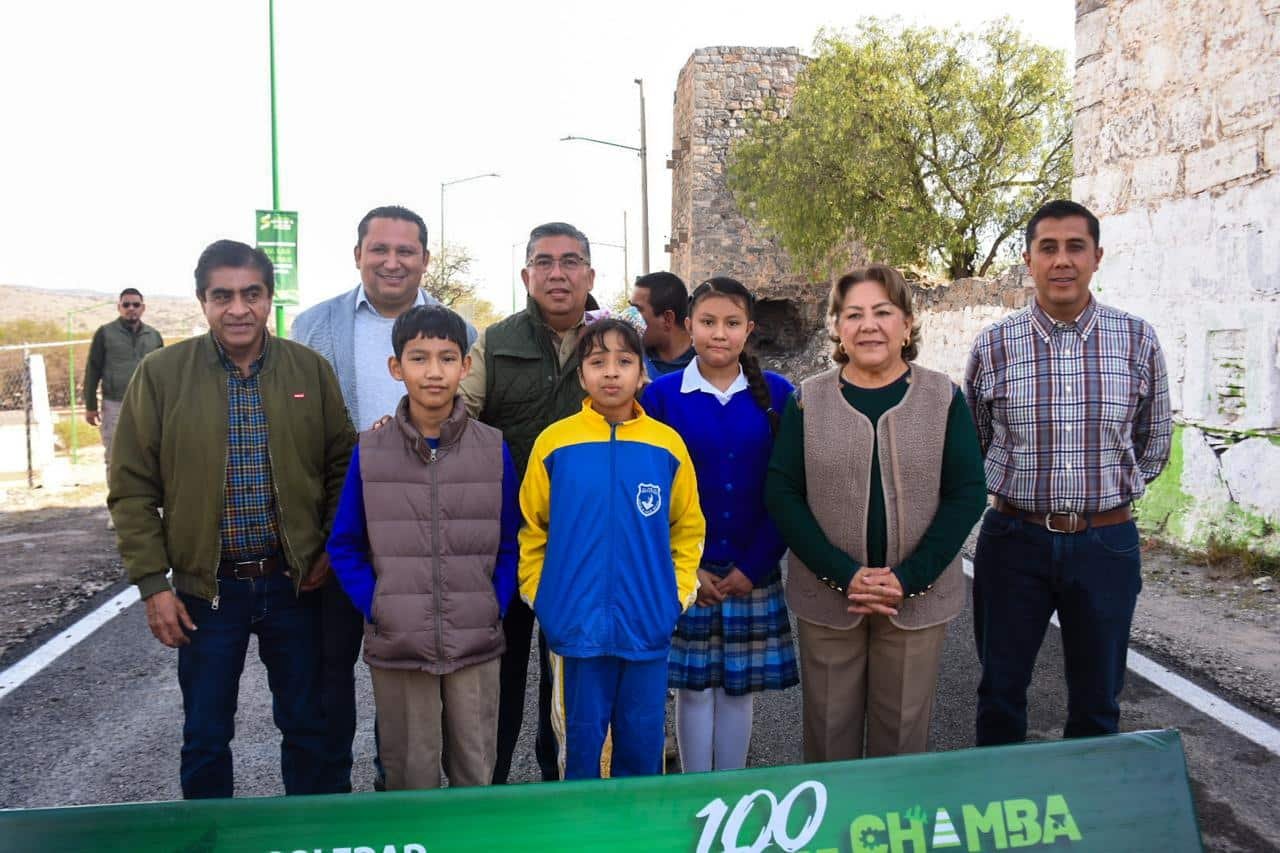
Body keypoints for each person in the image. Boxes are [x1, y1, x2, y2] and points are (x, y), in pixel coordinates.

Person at [108, 240, 355, 798]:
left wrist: (326, 551)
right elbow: (131, 488)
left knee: (308, 729)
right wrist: (153, 585)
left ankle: (308, 836)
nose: (238, 308)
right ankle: (209, 838)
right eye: (223, 296)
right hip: (205, 592)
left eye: (251, 294)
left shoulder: (308, 370)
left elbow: (342, 462)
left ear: (270, 299)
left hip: (295, 585)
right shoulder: (162, 374)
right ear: (202, 301)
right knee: (206, 735)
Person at [965, 199, 1172, 746]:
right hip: (1012, 542)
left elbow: (1154, 444)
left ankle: (1088, 822)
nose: (1062, 261)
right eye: (1048, 248)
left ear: (1096, 257)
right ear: (1028, 259)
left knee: (1098, 700)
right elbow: (975, 442)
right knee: (1001, 693)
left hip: (1106, 545)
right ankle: (1001, 817)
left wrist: (1104, 501)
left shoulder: (1137, 339)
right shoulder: (993, 346)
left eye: (1075, 247)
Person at [765, 264, 987, 762]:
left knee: (902, 737)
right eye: (854, 314)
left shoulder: (942, 396)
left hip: (915, 599)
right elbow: (782, 491)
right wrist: (844, 574)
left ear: (907, 324)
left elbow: (967, 492)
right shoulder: (809, 399)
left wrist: (908, 577)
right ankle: (832, 835)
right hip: (828, 598)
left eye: (883, 312)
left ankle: (890, 837)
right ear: (837, 328)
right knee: (828, 733)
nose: (869, 325)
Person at [292, 204, 476, 791]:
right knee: (328, 680)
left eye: (406, 251)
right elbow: (300, 441)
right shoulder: (312, 327)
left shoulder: (462, 331)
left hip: (425, 541)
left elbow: (469, 428)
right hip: (341, 535)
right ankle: (331, 807)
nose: (392, 262)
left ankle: (392, 798)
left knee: (408, 689)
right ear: (358, 256)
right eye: (380, 249)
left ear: (424, 259)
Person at [327, 304, 518, 790]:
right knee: (409, 774)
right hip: (400, 643)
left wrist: (494, 600)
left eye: (447, 358)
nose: (434, 371)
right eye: (419, 358)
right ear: (397, 367)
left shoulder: (492, 448)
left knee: (475, 770)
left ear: (465, 367)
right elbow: (345, 543)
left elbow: (511, 541)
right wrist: (377, 604)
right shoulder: (370, 452)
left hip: (476, 640)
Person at [518, 317, 705, 779]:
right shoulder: (554, 443)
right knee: (581, 750)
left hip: (647, 624)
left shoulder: (667, 445)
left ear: (642, 372)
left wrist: (676, 596)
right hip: (574, 630)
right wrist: (543, 598)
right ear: (581, 374)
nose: (611, 372)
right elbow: (531, 530)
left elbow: (688, 529)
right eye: (597, 361)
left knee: (642, 748)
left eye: (624, 360)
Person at [459, 222, 600, 783]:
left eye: (570, 262)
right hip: (508, 545)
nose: (558, 273)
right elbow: (455, 418)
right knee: (500, 677)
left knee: (569, 682)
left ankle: (559, 791)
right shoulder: (493, 343)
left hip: (588, 548)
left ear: (590, 274)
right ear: (526, 275)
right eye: (544, 262)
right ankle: (489, 795)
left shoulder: (612, 343)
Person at [641, 277, 797, 773]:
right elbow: (650, 490)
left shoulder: (776, 394)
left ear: (749, 330)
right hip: (689, 569)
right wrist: (684, 568)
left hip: (752, 568)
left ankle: (730, 794)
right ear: (689, 326)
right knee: (693, 689)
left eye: (732, 323)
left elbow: (790, 486)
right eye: (707, 322)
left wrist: (754, 565)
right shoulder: (663, 397)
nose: (719, 334)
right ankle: (694, 793)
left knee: (737, 689)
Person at [84, 287, 163, 523]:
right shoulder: (105, 334)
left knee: (153, 456)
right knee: (116, 457)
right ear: (119, 307)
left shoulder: (154, 336)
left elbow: (163, 373)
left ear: (143, 307)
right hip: (114, 403)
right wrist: (90, 405)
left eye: (135, 304)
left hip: (149, 405)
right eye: (126, 304)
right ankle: (118, 513)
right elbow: (93, 369)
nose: (131, 309)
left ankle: (153, 508)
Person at [631, 271, 695, 378]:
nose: (629, 317)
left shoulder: (707, 367)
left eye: (637, 310)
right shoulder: (630, 360)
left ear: (667, 318)